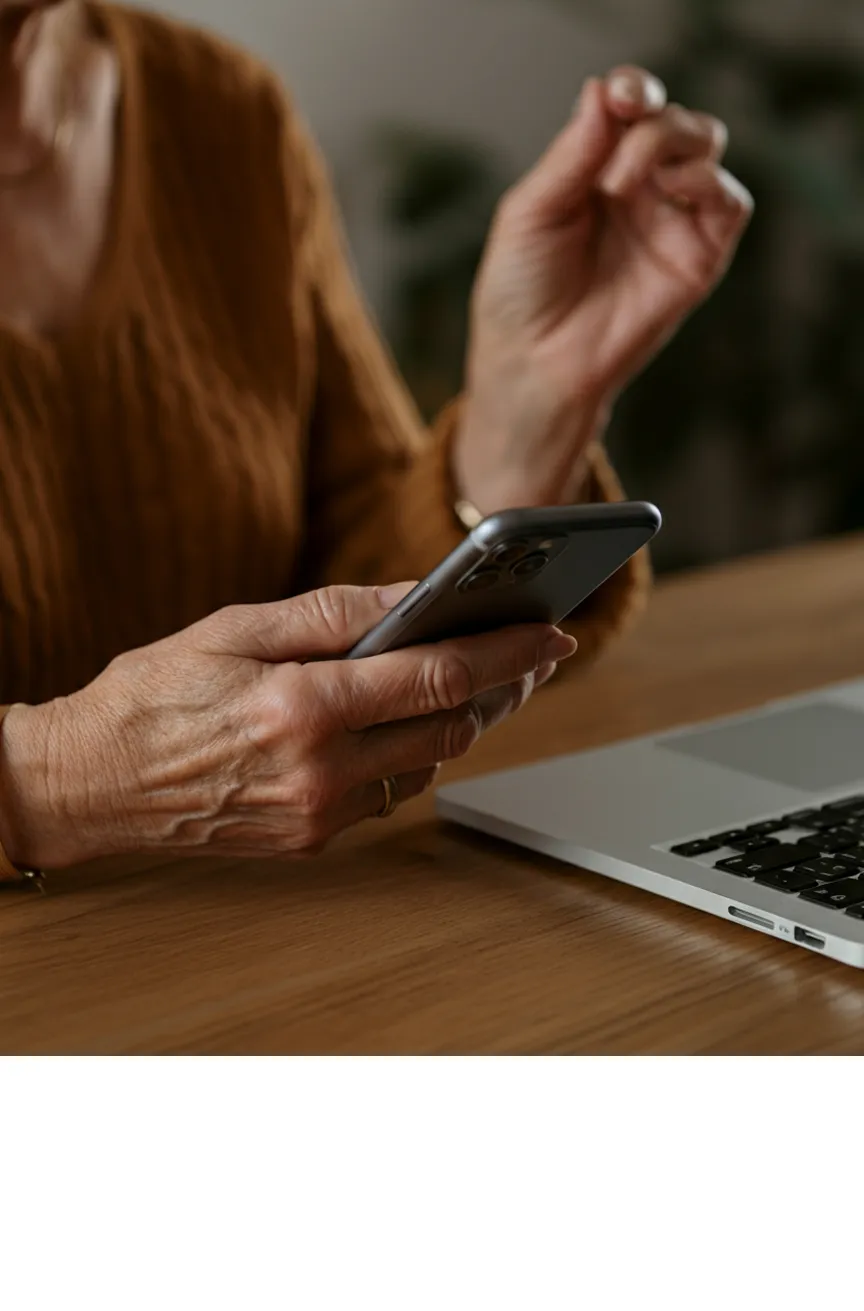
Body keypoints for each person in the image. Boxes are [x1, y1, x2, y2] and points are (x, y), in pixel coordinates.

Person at [0, 1, 752, 880]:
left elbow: (350, 586)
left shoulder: (219, 107)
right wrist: (49, 786)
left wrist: (530, 400)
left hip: (273, 925)